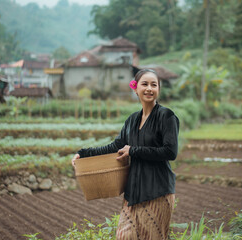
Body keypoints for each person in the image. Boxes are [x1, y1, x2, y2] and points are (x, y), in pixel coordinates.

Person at [71, 69, 180, 240]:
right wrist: (83, 154)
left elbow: (170, 151)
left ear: (159, 89)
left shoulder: (166, 116)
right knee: (123, 236)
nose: (149, 88)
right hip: (133, 193)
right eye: (145, 84)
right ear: (135, 88)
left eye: (154, 84)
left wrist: (133, 150)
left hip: (157, 191)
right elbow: (116, 146)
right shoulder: (132, 120)